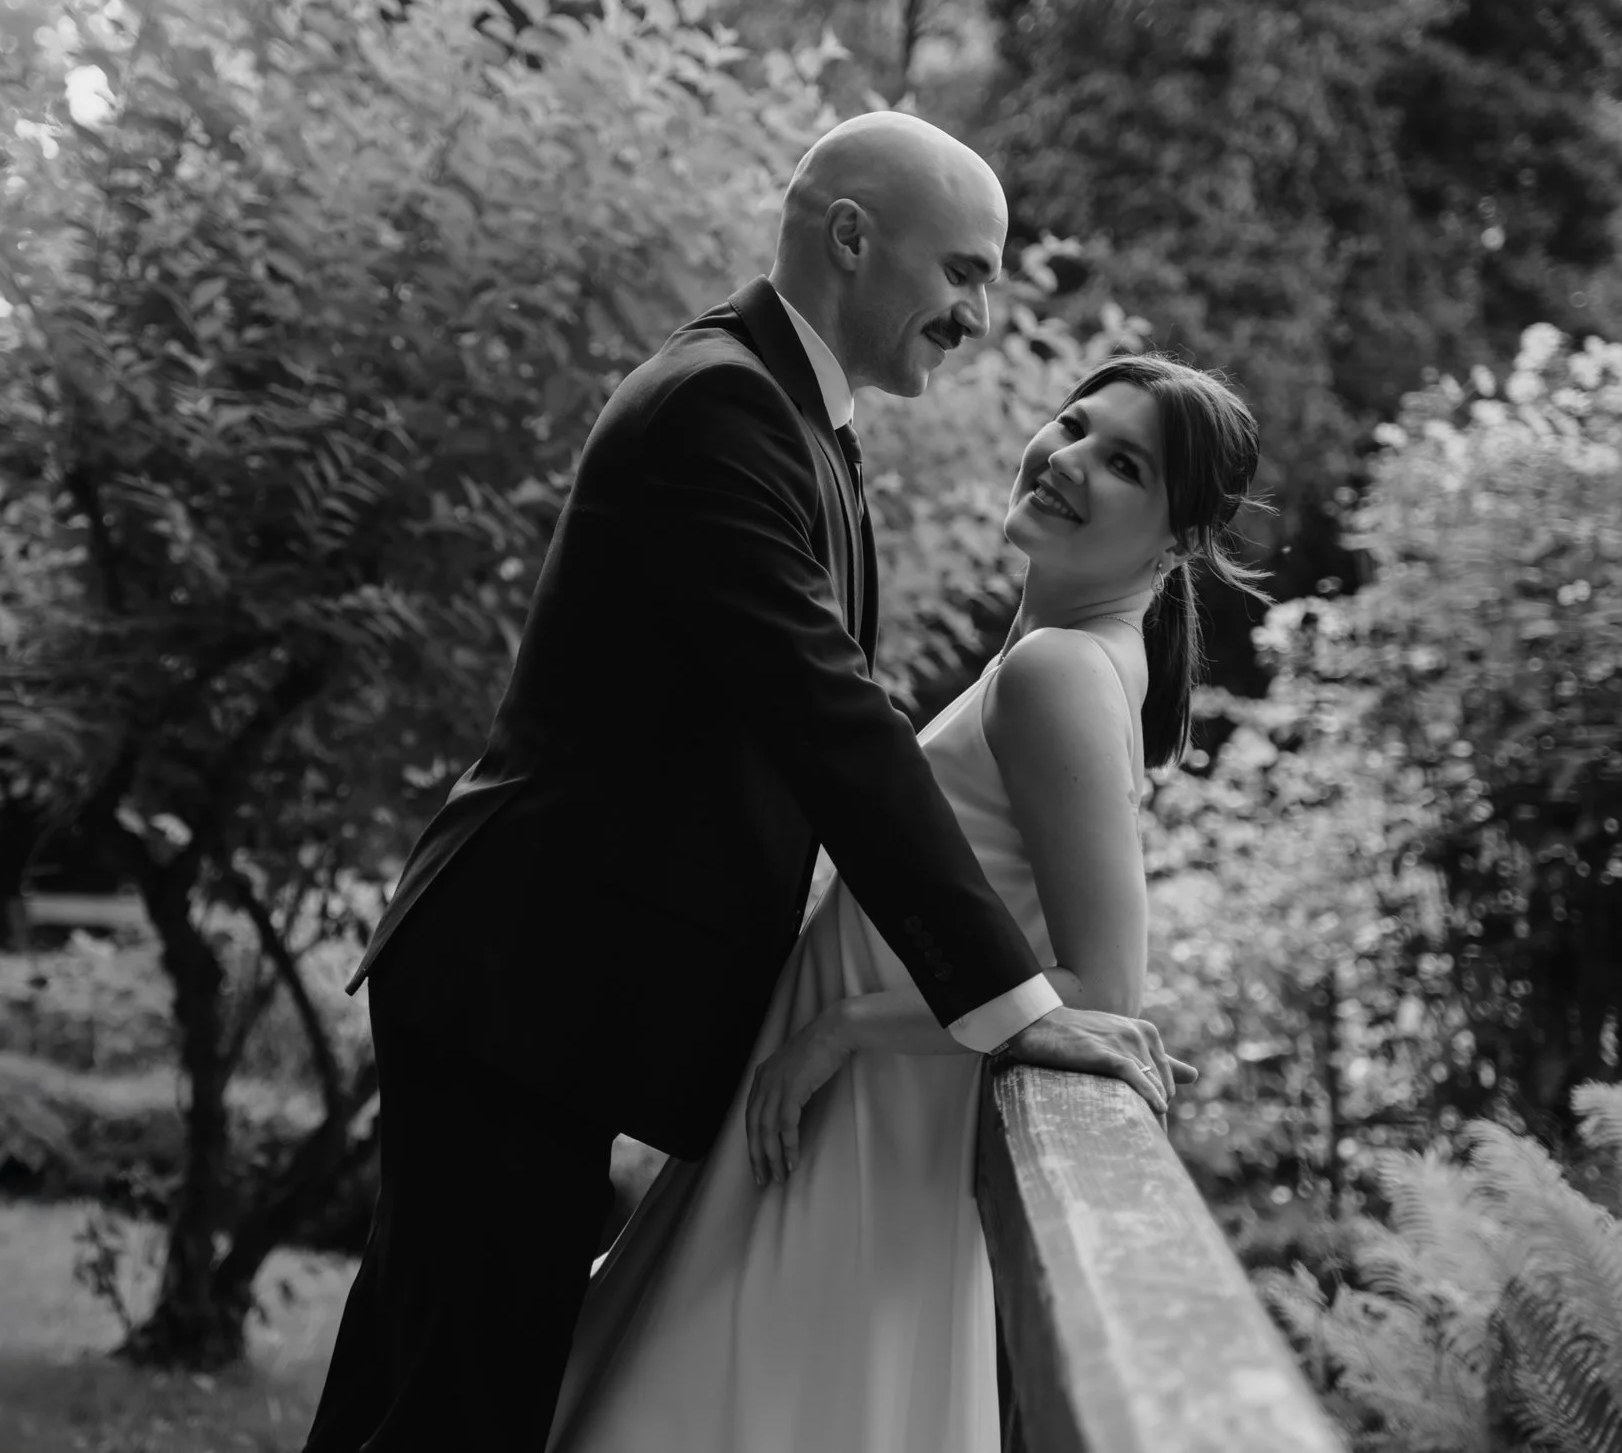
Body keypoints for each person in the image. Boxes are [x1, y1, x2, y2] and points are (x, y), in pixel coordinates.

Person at [301, 111, 1197, 1453]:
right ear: (853, 237)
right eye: (963, 271)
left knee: (422, 1386)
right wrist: (1016, 1004)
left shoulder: (799, 420)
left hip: (544, 990)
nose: (975, 315)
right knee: (457, 1406)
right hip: (523, 984)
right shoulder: (723, 405)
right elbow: (831, 722)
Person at [546, 352, 1266, 1452]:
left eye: (1125, 464)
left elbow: (1101, 987)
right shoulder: (1068, 658)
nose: (1069, 459)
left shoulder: (1062, 671)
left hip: (860, 1131)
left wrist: (842, 1026)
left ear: (1175, 542)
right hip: (839, 1121)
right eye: (1074, 423)